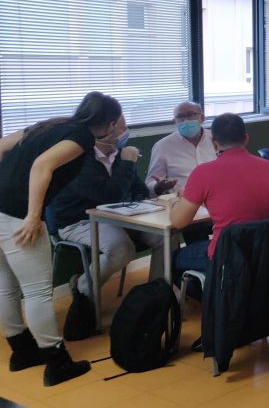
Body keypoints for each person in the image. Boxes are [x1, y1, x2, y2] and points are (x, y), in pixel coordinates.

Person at [0, 91, 122, 386]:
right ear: (109, 123)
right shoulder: (82, 137)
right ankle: (57, 363)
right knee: (37, 292)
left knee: (5, 285)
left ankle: (21, 352)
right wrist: (33, 215)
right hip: (18, 216)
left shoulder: (49, 125)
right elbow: (43, 165)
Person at [50, 114, 164, 338]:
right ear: (107, 127)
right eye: (122, 126)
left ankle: (156, 295)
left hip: (119, 218)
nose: (126, 131)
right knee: (122, 248)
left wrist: (142, 200)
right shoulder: (79, 157)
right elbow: (106, 195)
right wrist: (128, 164)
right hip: (78, 220)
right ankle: (83, 287)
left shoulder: (119, 154)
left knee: (162, 236)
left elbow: (138, 190)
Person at [169, 114, 269, 284]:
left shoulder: (203, 173)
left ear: (214, 143)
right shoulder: (267, 166)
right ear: (246, 139)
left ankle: (211, 295)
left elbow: (179, 222)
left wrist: (175, 203)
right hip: (268, 253)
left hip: (228, 256)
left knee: (171, 260)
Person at [145, 101, 216, 195]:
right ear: (175, 121)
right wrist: (158, 187)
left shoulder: (217, 139)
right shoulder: (163, 146)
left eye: (191, 115)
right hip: (182, 200)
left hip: (217, 196)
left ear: (202, 118)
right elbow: (150, 182)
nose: (186, 120)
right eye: (180, 117)